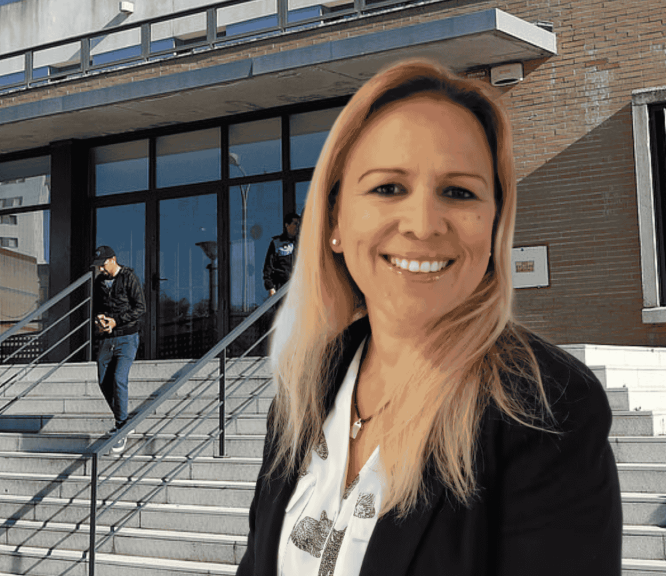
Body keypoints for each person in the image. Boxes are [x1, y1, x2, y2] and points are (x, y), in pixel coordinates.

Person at [236, 59, 621, 575]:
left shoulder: (544, 409)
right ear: (333, 222)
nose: (422, 225)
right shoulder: (302, 393)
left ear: (495, 224)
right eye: (388, 188)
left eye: (458, 192)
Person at [91, 245, 146, 454]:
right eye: (98, 266)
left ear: (113, 260)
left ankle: (121, 427)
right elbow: (97, 308)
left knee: (119, 378)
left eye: (103, 264)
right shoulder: (99, 282)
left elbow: (140, 307)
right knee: (103, 380)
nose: (101, 269)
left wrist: (116, 321)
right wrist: (100, 320)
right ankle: (123, 420)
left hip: (127, 337)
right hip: (107, 338)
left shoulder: (129, 277)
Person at [263, 212, 301, 296]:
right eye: (295, 224)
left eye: (299, 224)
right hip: (281, 288)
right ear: (287, 225)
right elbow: (268, 267)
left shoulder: (302, 243)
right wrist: (270, 287)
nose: (297, 226)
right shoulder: (277, 243)